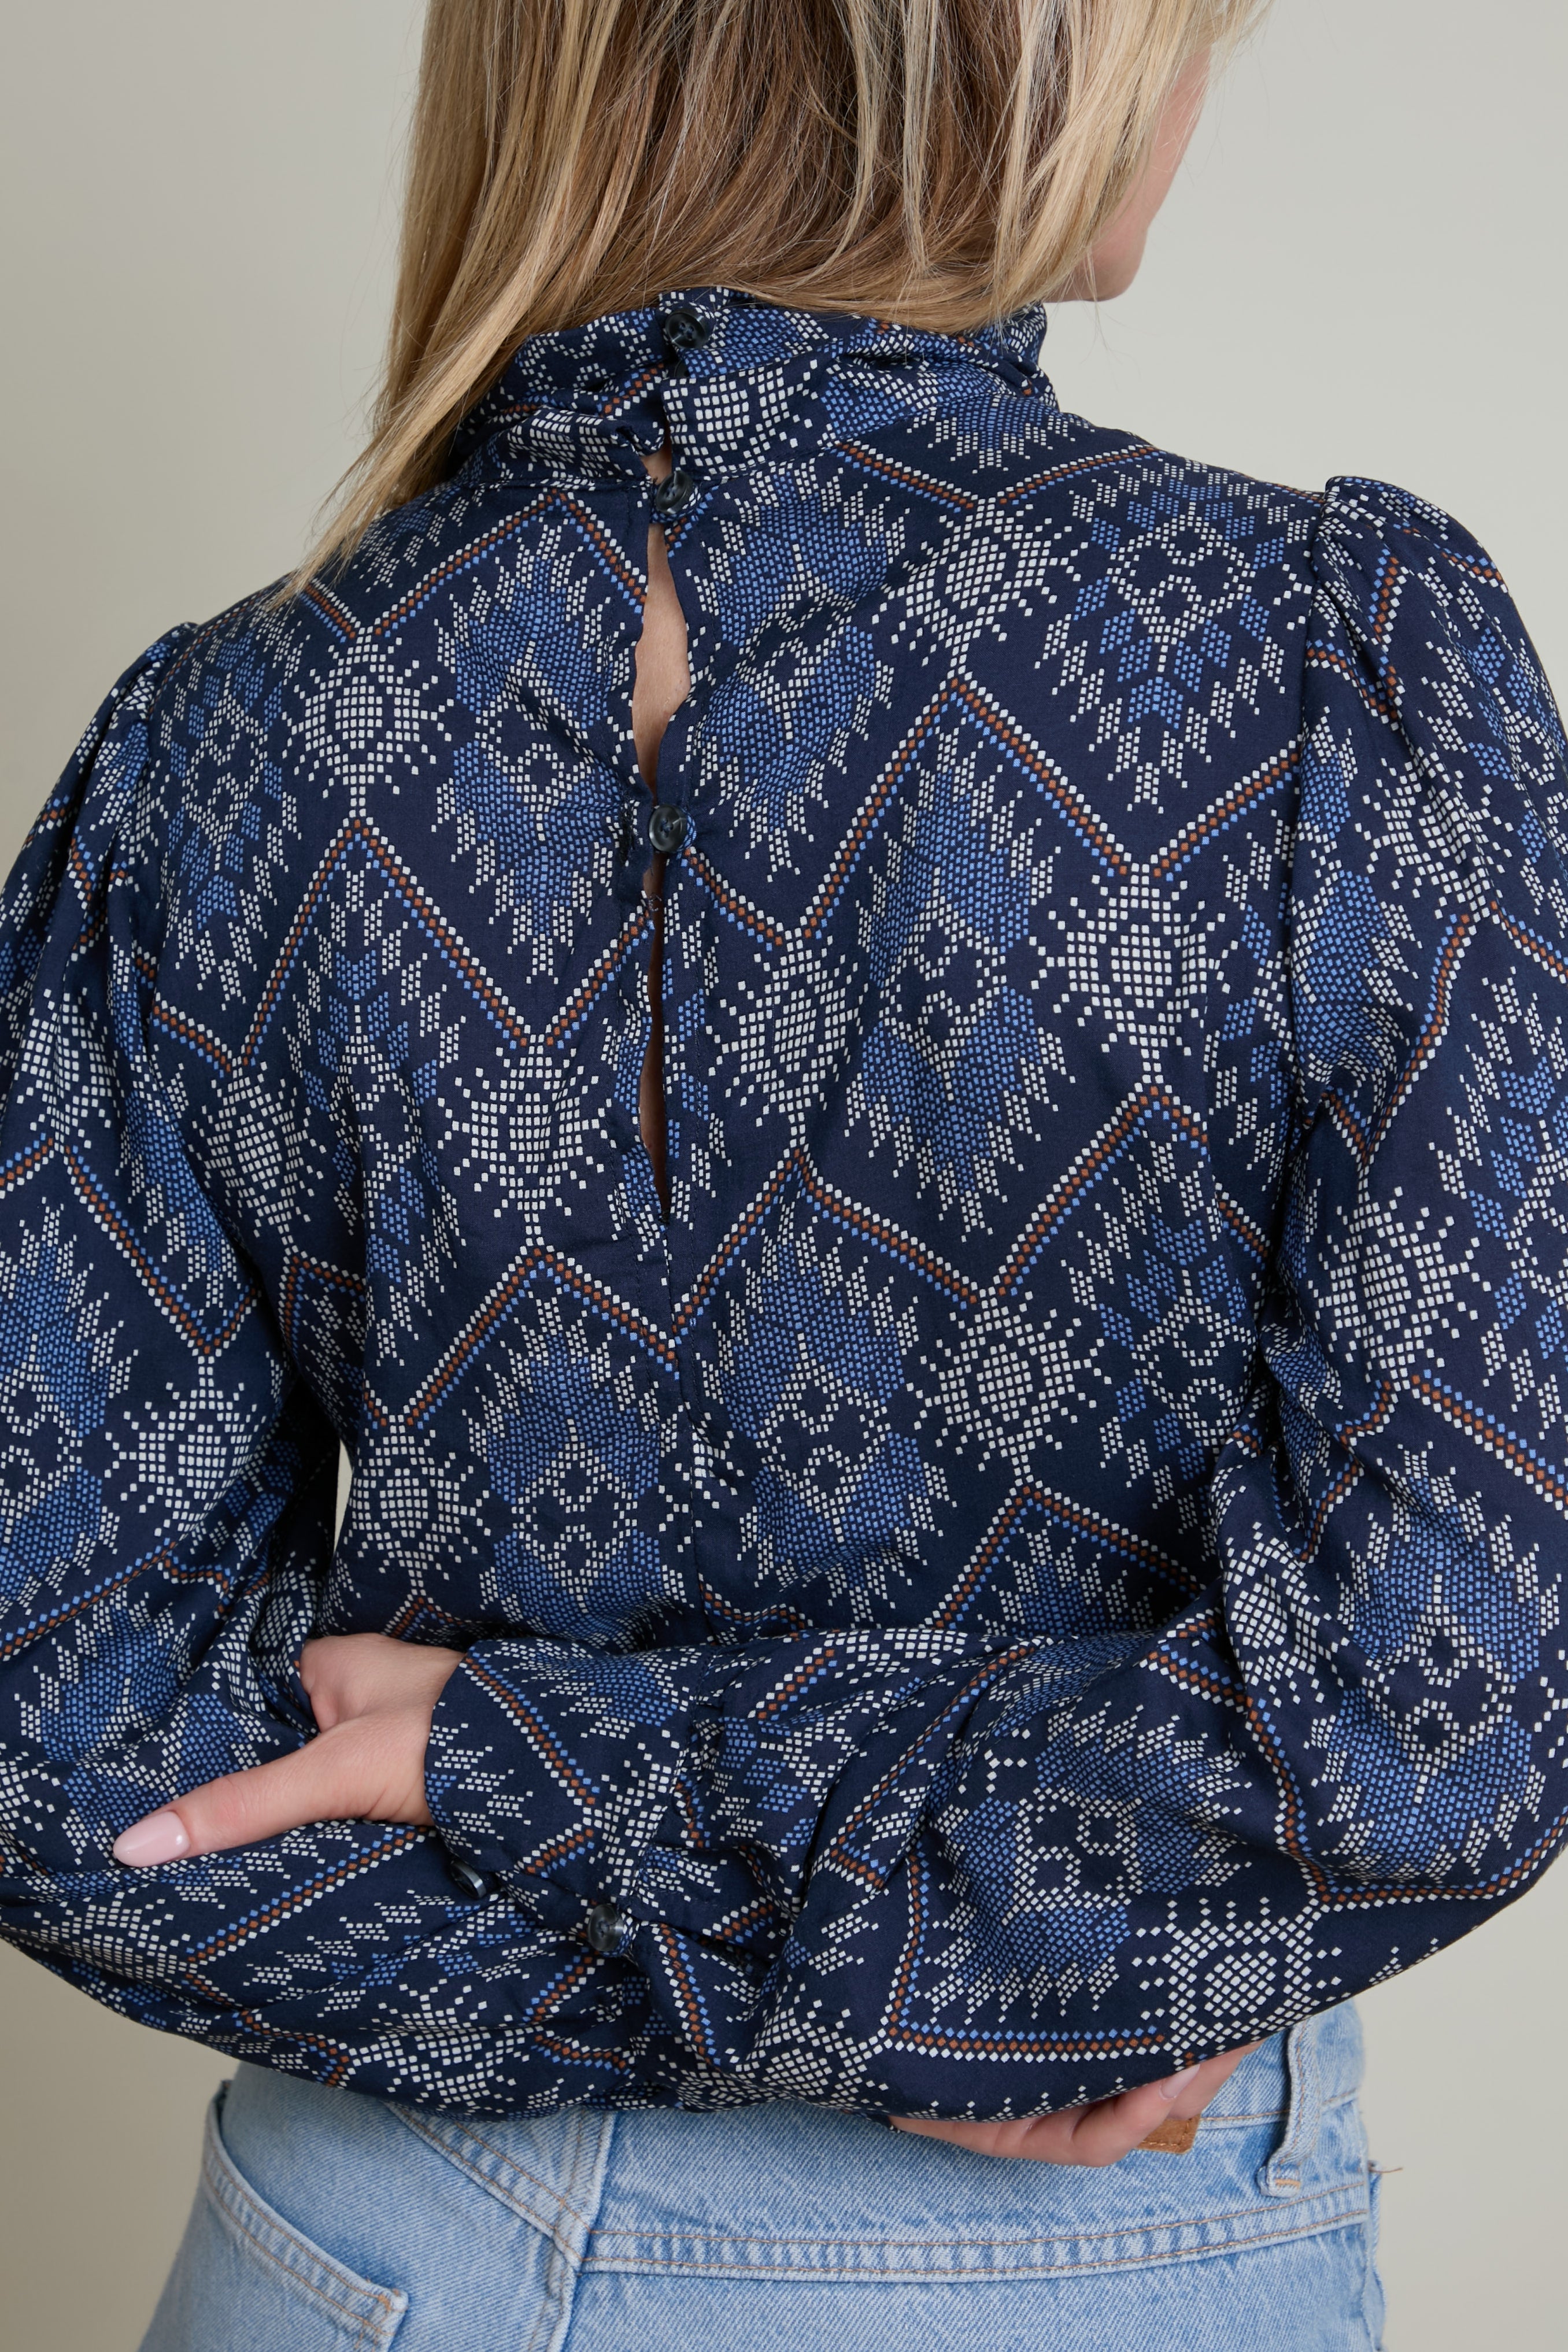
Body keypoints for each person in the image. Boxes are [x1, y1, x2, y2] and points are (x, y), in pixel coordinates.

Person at [2, 0, 1563, 2343]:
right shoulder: (1338, 666)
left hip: (371, 2249)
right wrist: (909, 1974)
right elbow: (1434, 1713)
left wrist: (536, 1778)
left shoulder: (212, 755)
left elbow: (70, 1747)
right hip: (1089, 2255)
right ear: (1019, 49)